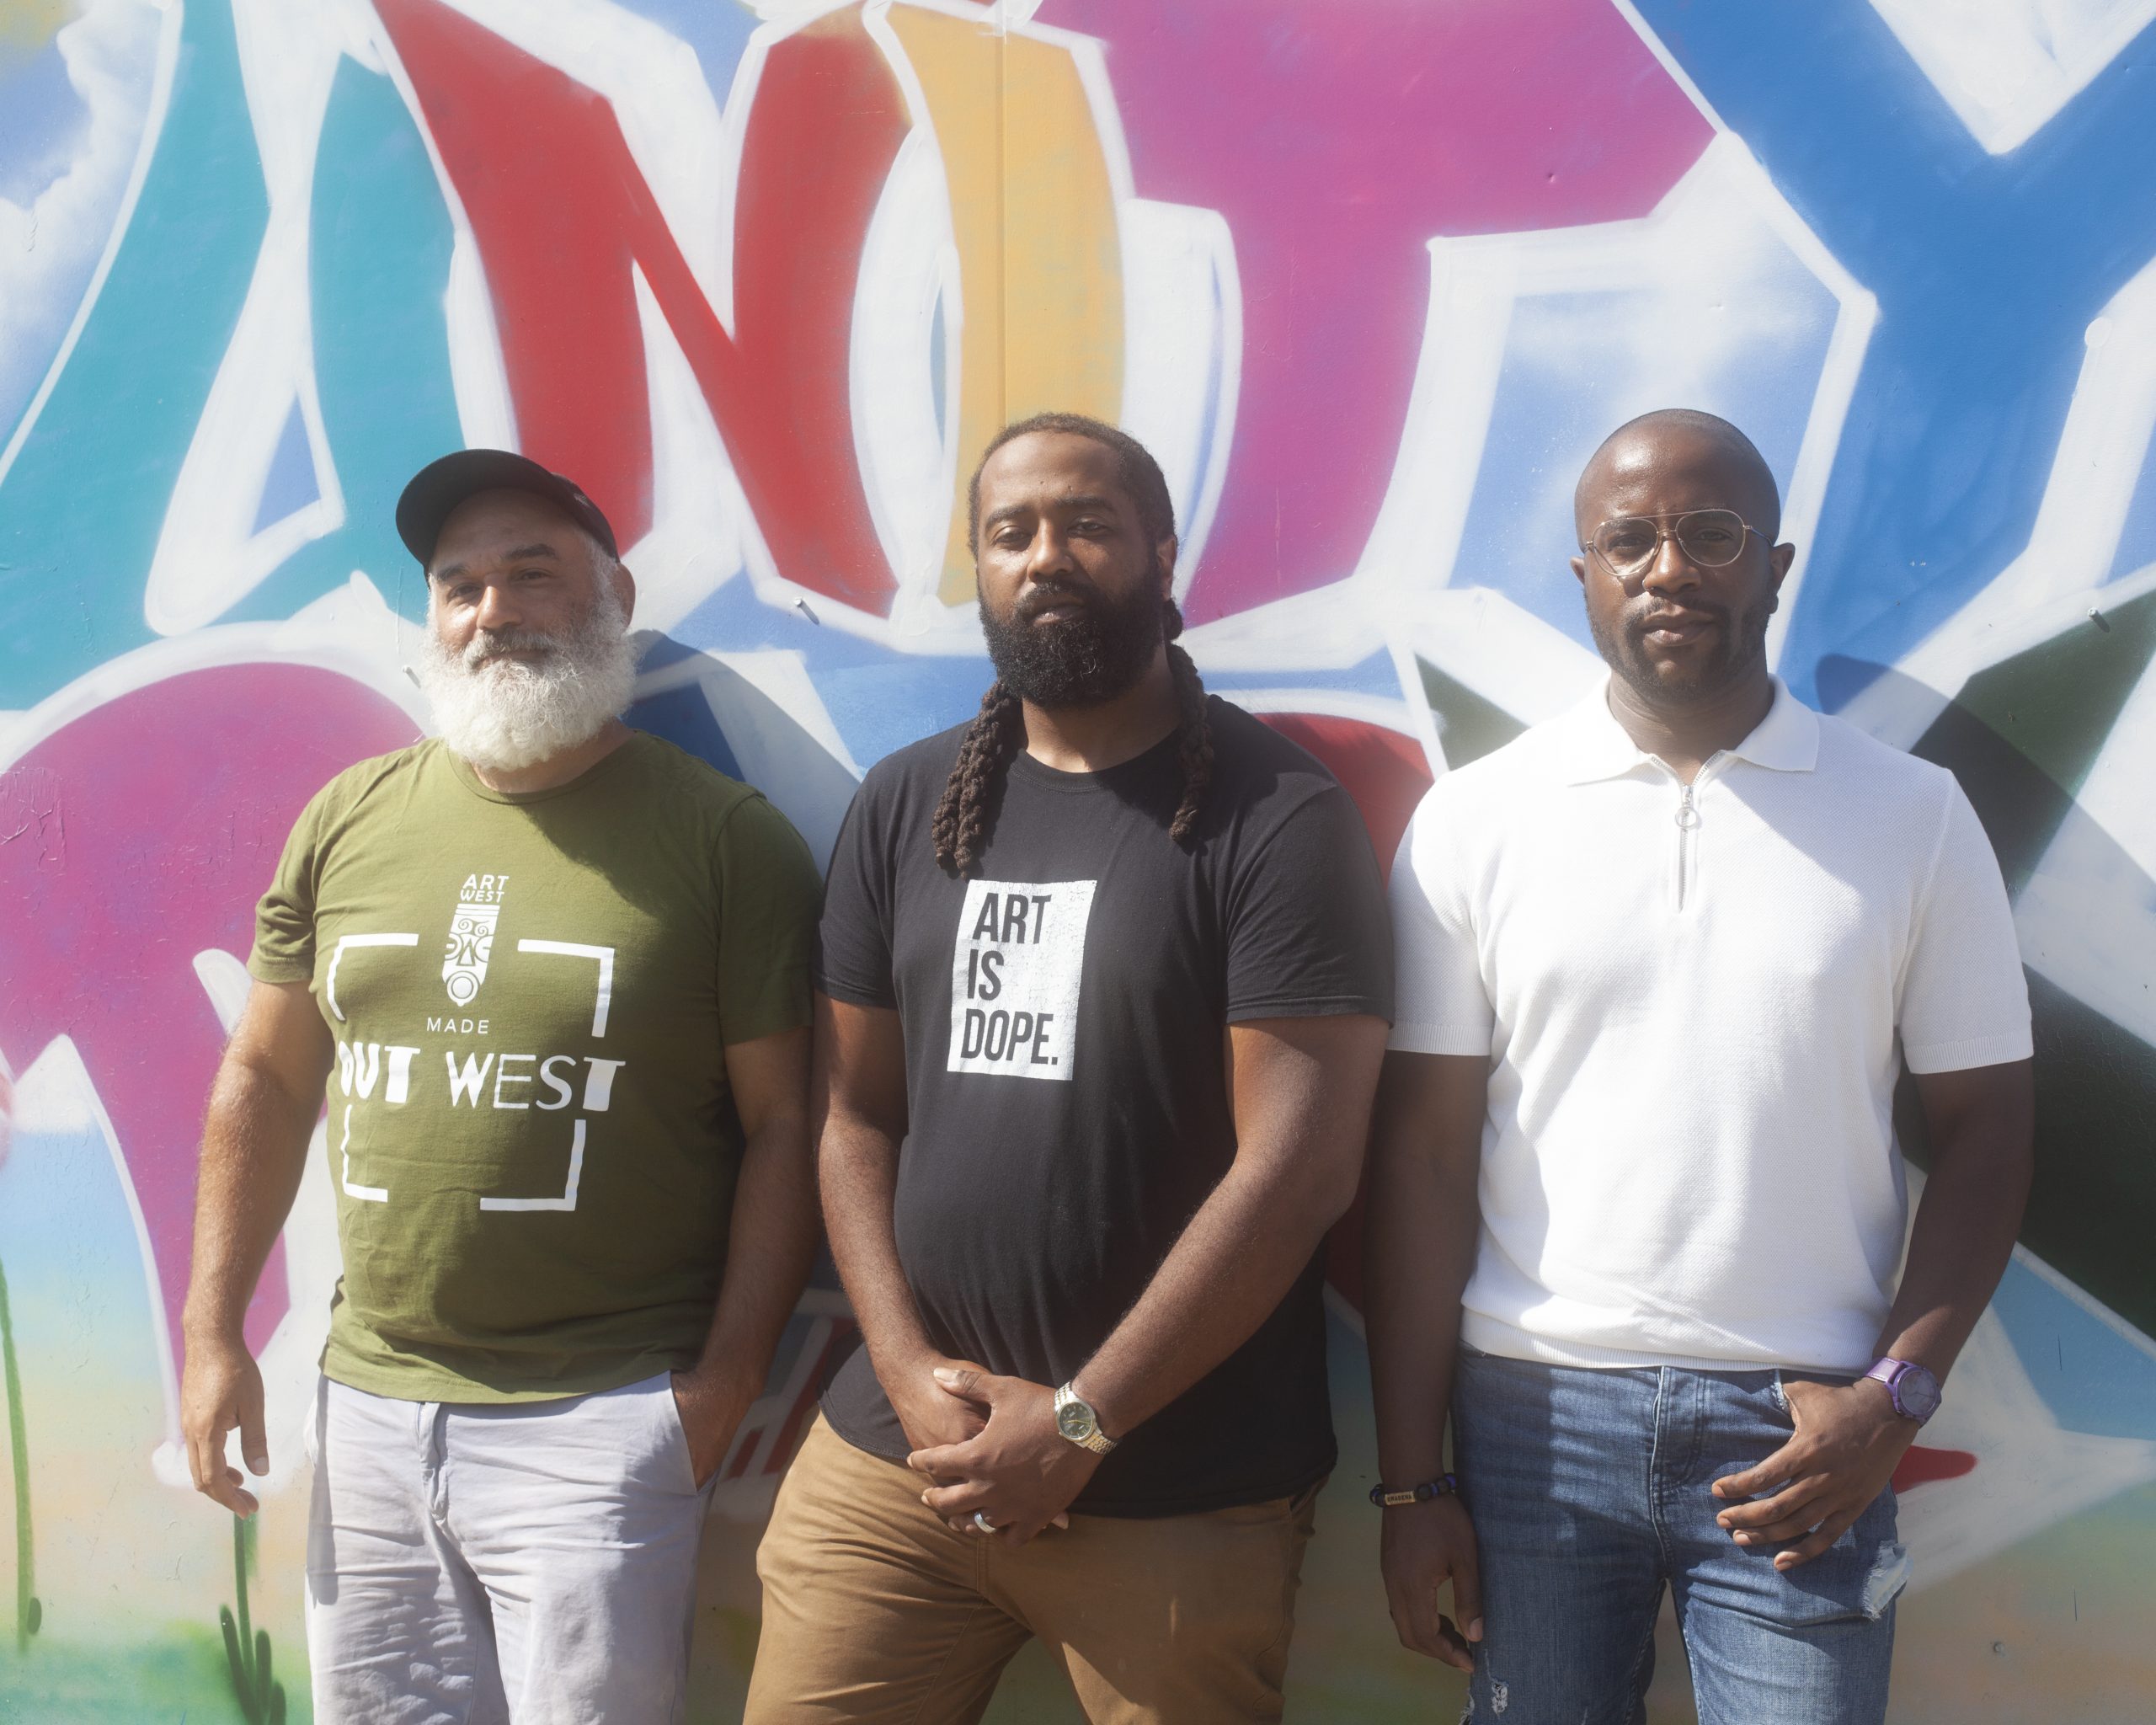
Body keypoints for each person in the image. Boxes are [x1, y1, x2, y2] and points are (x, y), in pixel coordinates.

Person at [1366, 409, 2035, 1724]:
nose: (1669, 567)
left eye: (1710, 535)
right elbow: (1424, 1160)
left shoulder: (1912, 815)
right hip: (1531, 1420)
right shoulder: (1478, 820)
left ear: (1773, 567)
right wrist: (1409, 1485)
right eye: (1630, 540)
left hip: (1805, 1429)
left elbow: (1990, 1133)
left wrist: (1892, 1400)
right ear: (1585, 578)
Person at [743, 414, 1392, 1725]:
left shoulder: (1279, 819)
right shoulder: (905, 806)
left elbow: (1302, 1169)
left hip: (1174, 1497)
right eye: (1011, 532)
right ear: (978, 571)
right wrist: (907, 1369)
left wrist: (1084, 1423)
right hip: (895, 1476)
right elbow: (855, 1115)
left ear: (1160, 555)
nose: (1047, 555)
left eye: (1088, 524)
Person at [179, 450, 824, 1723]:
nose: (493, 612)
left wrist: (725, 1384)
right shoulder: (348, 818)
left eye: (532, 574)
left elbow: (787, 1124)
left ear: (613, 597)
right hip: (366, 1409)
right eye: (459, 585)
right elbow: (261, 1074)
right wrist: (211, 1336)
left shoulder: (722, 839)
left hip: (599, 1425)